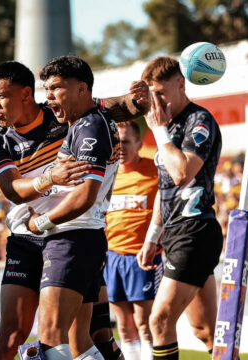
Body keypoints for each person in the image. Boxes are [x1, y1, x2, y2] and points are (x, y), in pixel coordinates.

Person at [0, 60, 148, 360]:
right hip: (26, 239)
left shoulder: (62, 113)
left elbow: (114, 107)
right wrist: (48, 179)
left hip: (72, 233)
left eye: (1, 96)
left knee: (92, 336)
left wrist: (136, 102)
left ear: (26, 95)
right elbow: (11, 190)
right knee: (12, 338)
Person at [23, 55, 121, 360]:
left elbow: (85, 195)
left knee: (51, 338)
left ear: (81, 89)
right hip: (84, 239)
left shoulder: (90, 127)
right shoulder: (84, 124)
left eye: (55, 88)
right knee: (81, 343)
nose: (48, 97)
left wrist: (40, 224)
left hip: (72, 239)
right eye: (46, 89)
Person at [136, 56, 223, 360]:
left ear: (181, 85)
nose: (155, 101)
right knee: (206, 332)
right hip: (174, 235)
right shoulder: (167, 126)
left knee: (159, 321)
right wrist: (152, 237)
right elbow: (165, 188)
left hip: (195, 232)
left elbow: (182, 174)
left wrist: (159, 132)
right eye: (151, 94)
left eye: (160, 92)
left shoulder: (199, 121)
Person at [103, 121, 161, 360]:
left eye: (126, 141)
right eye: (116, 142)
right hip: (112, 257)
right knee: (124, 326)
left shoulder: (155, 172)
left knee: (144, 322)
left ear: (139, 143)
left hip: (143, 256)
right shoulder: (106, 175)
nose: (121, 147)